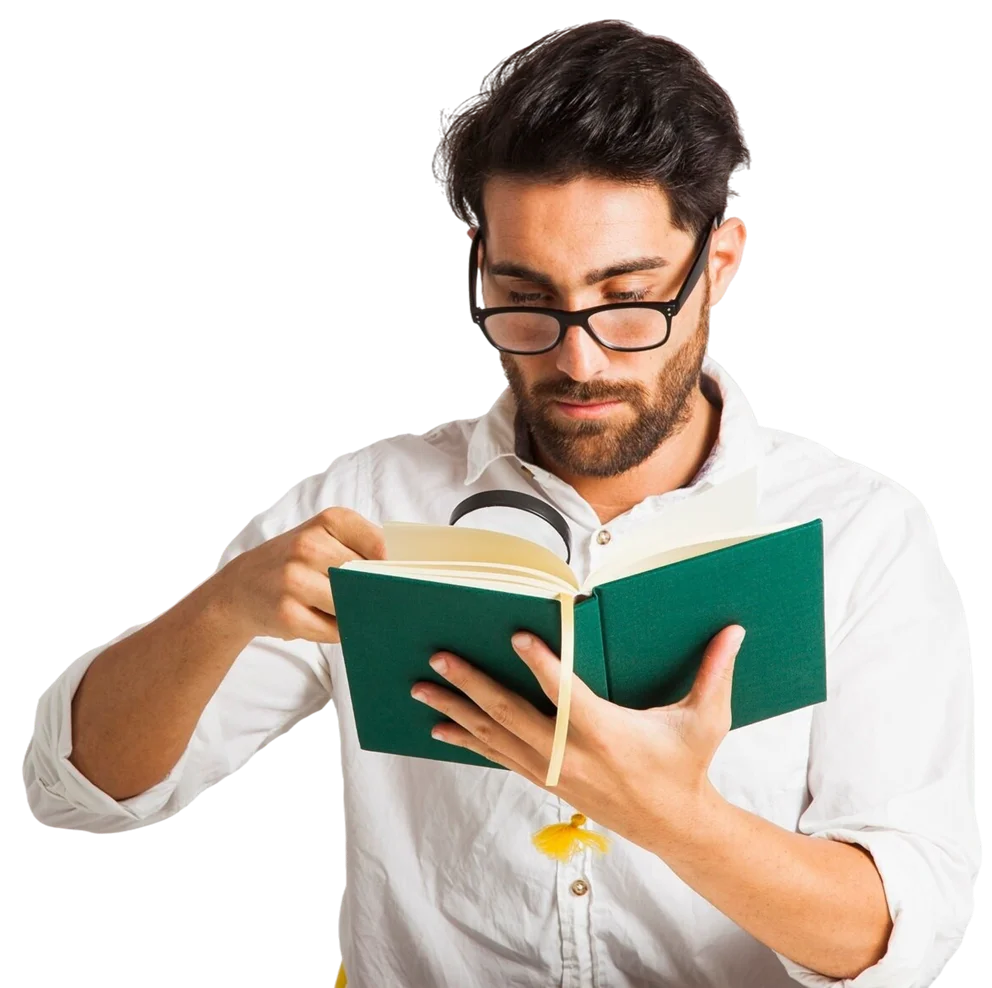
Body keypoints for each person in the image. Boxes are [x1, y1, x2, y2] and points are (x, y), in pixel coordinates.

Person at [24, 20, 978, 988]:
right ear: (479, 265)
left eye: (628, 299)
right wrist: (221, 611)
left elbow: (903, 937)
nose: (578, 359)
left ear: (721, 262)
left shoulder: (858, 534)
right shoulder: (367, 503)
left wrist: (672, 816)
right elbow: (79, 791)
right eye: (526, 299)